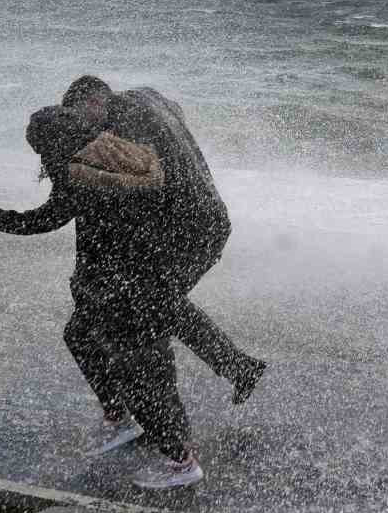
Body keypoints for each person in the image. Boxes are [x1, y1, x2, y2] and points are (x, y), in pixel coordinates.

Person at [0, 105, 202, 489]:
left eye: (39, 149)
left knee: (134, 373)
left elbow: (47, 218)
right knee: (81, 337)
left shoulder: (81, 174)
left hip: (124, 289)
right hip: (148, 276)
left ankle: (180, 463)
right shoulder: (115, 151)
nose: (40, 158)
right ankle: (120, 420)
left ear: (54, 143)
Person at [60, 75, 266, 404]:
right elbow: (175, 112)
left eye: (82, 120)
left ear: (95, 102)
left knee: (152, 306)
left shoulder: (125, 125)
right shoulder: (145, 96)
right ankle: (238, 369)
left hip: (190, 229)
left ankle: (152, 406)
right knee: (156, 303)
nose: (83, 132)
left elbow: (141, 189)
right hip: (207, 218)